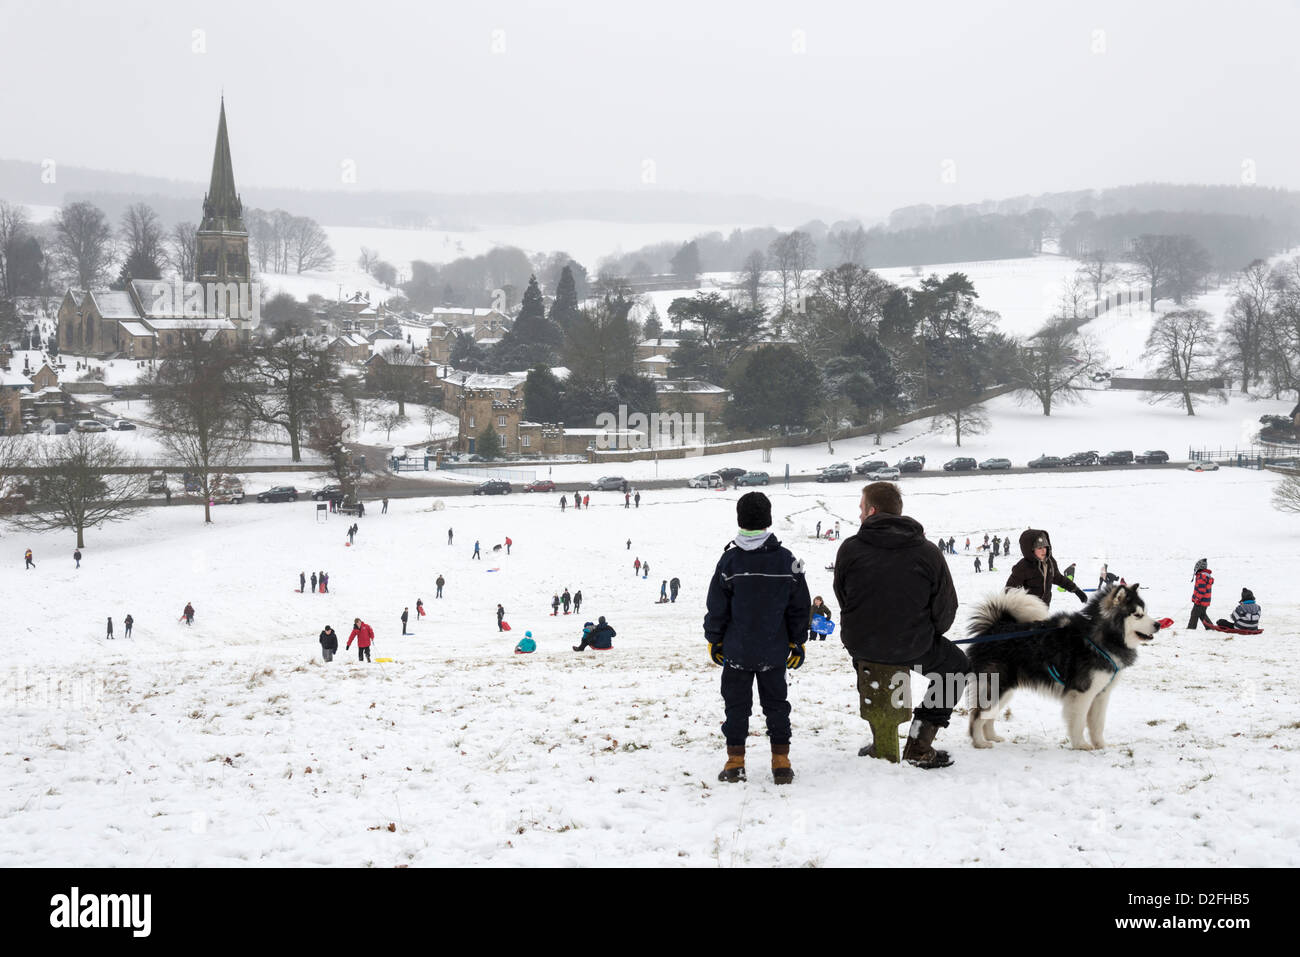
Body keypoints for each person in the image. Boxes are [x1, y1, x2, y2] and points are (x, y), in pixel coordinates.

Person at [834, 482, 966, 769]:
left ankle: (883, 742)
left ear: (872, 510)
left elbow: (842, 595)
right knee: (955, 668)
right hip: (913, 644)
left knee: (871, 665)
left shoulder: (849, 549)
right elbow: (946, 607)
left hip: (862, 643)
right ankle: (919, 745)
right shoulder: (928, 552)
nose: (859, 515)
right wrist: (928, 633)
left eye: (860, 509)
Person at [705, 491, 810, 785]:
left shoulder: (730, 561)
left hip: (736, 652)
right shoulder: (788, 560)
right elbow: (799, 608)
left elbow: (717, 607)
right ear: (769, 519)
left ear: (740, 520)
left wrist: (714, 640)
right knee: (777, 706)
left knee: (736, 707)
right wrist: (797, 642)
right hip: (775, 652)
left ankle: (735, 763)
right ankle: (782, 764)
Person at [1004, 530, 1088, 607]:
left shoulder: (1050, 562)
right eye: (1039, 548)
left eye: (1045, 547)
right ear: (1031, 550)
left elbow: (1059, 578)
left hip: (1044, 608)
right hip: (1028, 610)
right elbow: (1009, 589)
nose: (1043, 550)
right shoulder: (1023, 566)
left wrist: (1076, 590)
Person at [1188, 558, 1214, 630]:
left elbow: (1201, 590)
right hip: (1204, 600)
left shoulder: (1201, 577)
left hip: (1201, 601)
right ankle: (1210, 628)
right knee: (1202, 614)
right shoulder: (1205, 576)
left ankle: (1191, 628)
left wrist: (1197, 599)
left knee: (1194, 614)